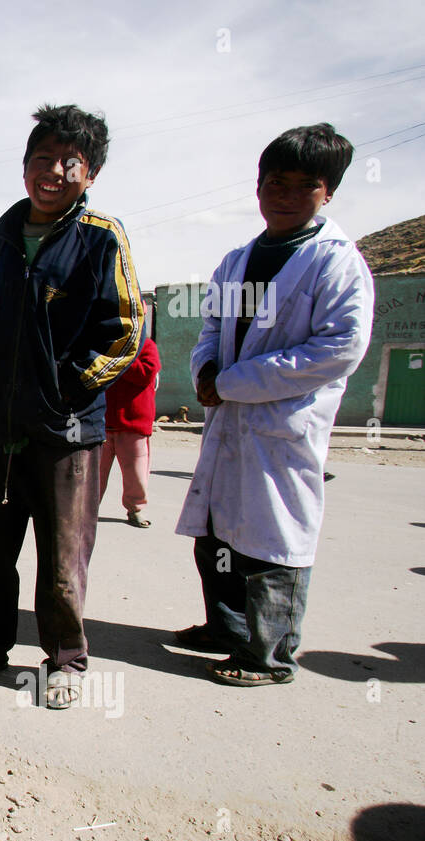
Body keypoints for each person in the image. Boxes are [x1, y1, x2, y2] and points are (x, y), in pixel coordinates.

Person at [0, 104, 142, 708]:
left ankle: (67, 661)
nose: (53, 171)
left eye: (68, 162)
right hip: (3, 428)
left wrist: (71, 386)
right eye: (41, 159)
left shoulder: (102, 237)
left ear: (91, 172)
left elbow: (127, 328)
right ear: (24, 168)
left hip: (68, 432)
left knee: (62, 557)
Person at [175, 123, 372, 687]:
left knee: (273, 543)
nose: (283, 196)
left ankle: (270, 655)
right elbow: (212, 327)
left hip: (281, 425)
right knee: (217, 534)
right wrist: (206, 371)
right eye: (273, 182)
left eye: (303, 185)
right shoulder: (238, 260)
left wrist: (234, 382)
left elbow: (338, 348)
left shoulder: (334, 262)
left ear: (328, 192)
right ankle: (227, 630)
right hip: (230, 418)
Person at [99, 336, 161, 527]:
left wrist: (119, 361)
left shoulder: (147, 346)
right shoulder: (104, 343)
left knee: (136, 474)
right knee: (94, 474)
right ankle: (86, 509)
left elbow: (146, 373)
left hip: (134, 423)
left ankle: (135, 509)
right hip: (102, 421)